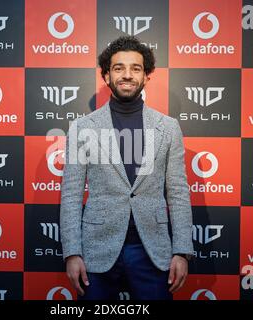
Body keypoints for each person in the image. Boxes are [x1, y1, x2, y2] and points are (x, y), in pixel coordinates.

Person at [60, 36, 193, 300]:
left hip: (152, 250)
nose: (127, 75)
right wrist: (72, 253)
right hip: (96, 249)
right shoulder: (83, 127)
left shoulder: (168, 127)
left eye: (136, 68)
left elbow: (178, 192)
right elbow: (71, 193)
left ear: (146, 76)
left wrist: (182, 251)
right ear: (107, 75)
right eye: (119, 68)